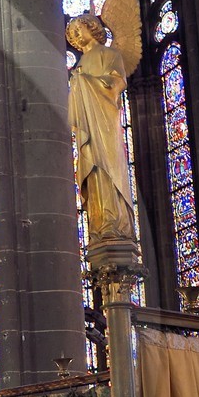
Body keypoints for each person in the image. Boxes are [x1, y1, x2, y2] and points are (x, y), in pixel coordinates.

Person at [68, 13, 134, 242]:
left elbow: (117, 83)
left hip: (105, 122)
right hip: (89, 127)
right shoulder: (80, 63)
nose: (76, 35)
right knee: (93, 170)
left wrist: (87, 82)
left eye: (79, 29)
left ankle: (114, 220)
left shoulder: (109, 54)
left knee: (109, 167)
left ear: (93, 27)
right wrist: (78, 83)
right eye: (73, 33)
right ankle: (98, 221)